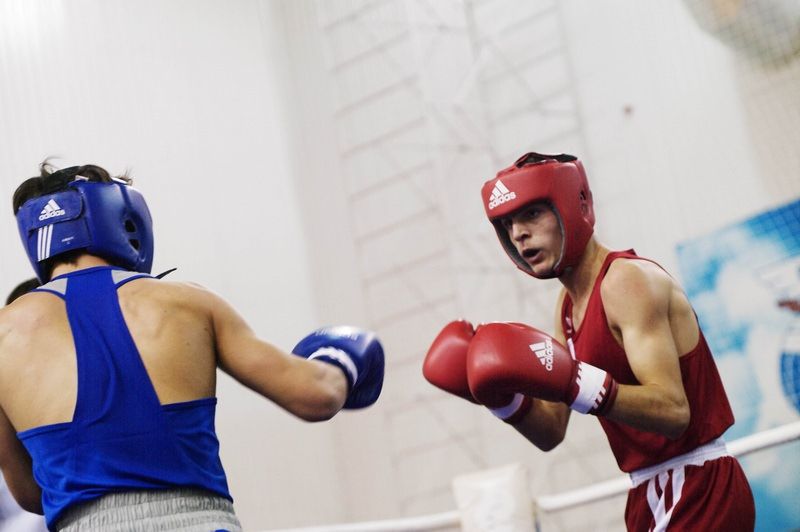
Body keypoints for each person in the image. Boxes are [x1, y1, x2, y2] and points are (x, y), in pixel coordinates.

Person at [0, 163, 384, 532]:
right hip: (198, 521)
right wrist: (340, 356)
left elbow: (31, 494)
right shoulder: (185, 302)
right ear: (122, 216)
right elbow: (316, 395)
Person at [423, 152, 755, 530]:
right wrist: (501, 399)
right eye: (508, 223)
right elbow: (551, 431)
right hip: (648, 490)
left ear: (574, 205)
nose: (518, 233)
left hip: (697, 484)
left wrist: (577, 383)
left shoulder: (625, 282)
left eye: (532, 214)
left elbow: (674, 412)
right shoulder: (566, 306)